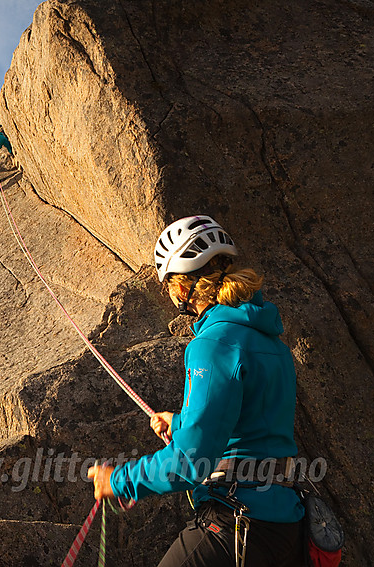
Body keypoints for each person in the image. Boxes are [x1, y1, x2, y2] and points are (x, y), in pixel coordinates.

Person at [88, 215, 305, 567]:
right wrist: (179, 423)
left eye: (168, 284)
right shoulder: (269, 339)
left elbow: (190, 461)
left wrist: (120, 480)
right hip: (285, 524)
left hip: (238, 521)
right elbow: (250, 425)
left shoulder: (213, 344)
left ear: (181, 286)